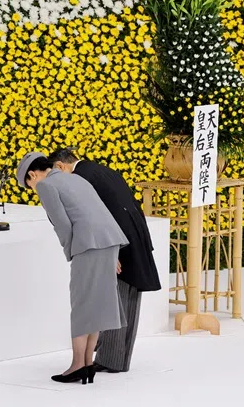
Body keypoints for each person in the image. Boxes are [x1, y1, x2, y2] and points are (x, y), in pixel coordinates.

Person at [15, 152, 128, 385]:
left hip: (87, 245)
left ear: (32, 175)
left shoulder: (46, 185)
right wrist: (111, 251)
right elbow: (101, 212)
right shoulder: (75, 178)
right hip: (109, 241)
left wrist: (70, 251)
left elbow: (62, 224)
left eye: (29, 184)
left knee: (81, 304)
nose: (33, 188)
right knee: (96, 304)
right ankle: (87, 363)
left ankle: (78, 364)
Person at [48, 148, 161, 374]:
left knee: (113, 301)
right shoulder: (99, 170)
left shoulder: (81, 177)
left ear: (60, 166)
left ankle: (111, 359)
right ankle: (116, 357)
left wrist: (113, 252)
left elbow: (101, 215)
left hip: (119, 241)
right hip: (135, 236)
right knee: (127, 300)